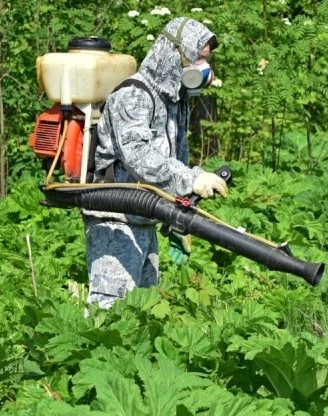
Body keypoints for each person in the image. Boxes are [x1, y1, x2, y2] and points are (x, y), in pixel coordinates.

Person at [82, 17, 229, 309]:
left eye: (207, 62)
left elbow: (173, 160)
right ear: (176, 52)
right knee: (110, 312)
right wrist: (191, 179)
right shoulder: (133, 94)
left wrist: (178, 212)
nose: (204, 70)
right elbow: (139, 155)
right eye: (199, 59)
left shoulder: (174, 99)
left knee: (142, 311)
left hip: (145, 217)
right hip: (115, 218)